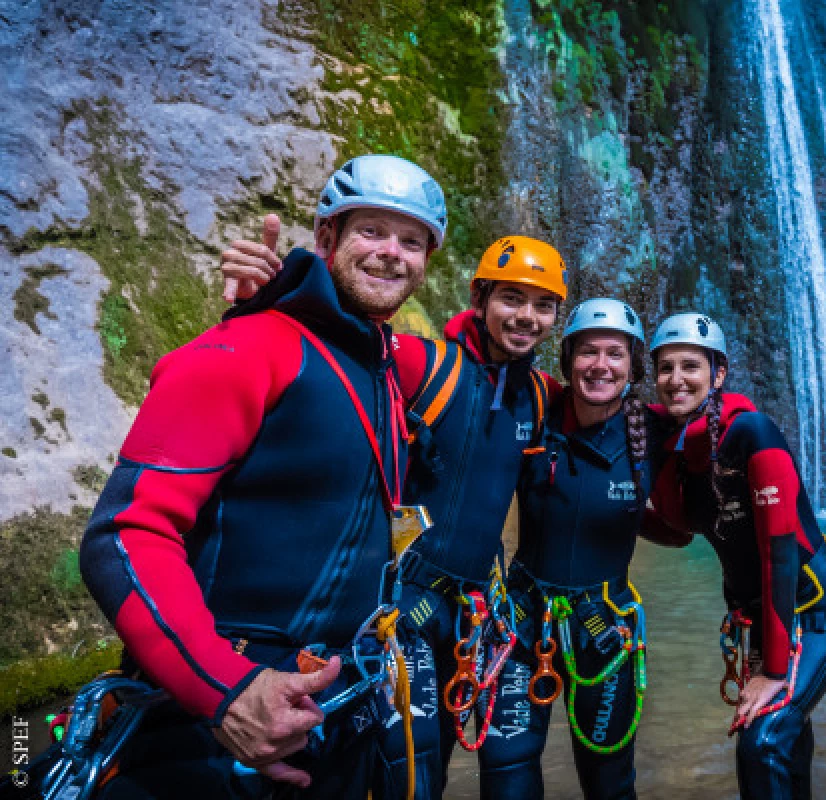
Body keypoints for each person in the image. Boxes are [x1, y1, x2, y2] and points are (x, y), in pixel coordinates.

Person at [76, 154, 448, 798]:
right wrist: (225, 689)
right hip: (213, 727)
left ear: (426, 262)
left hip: (327, 710)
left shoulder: (382, 367)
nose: (392, 254)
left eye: (411, 241)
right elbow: (125, 535)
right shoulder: (246, 349)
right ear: (326, 238)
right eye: (371, 232)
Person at [221, 228, 568, 799]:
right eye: (511, 298)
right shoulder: (422, 363)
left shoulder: (538, 395)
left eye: (543, 305)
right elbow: (324, 348)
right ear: (479, 299)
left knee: (437, 761)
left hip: (474, 611)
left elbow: (601, 409)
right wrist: (263, 299)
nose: (527, 316)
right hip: (405, 605)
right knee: (411, 771)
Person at [640, 312, 826, 800]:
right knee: (785, 738)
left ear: (717, 374)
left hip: (817, 608)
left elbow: (779, 553)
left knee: (761, 741)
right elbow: (679, 532)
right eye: (664, 368)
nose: (676, 380)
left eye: (690, 367)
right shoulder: (678, 452)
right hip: (762, 619)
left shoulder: (753, 433)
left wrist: (775, 671)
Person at [477, 298, 652, 799]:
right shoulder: (532, 410)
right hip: (521, 619)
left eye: (615, 354)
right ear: (567, 359)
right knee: (505, 768)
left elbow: (717, 423)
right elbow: (469, 353)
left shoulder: (652, 433)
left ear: (634, 366)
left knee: (609, 781)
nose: (600, 365)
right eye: (587, 352)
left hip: (603, 628)